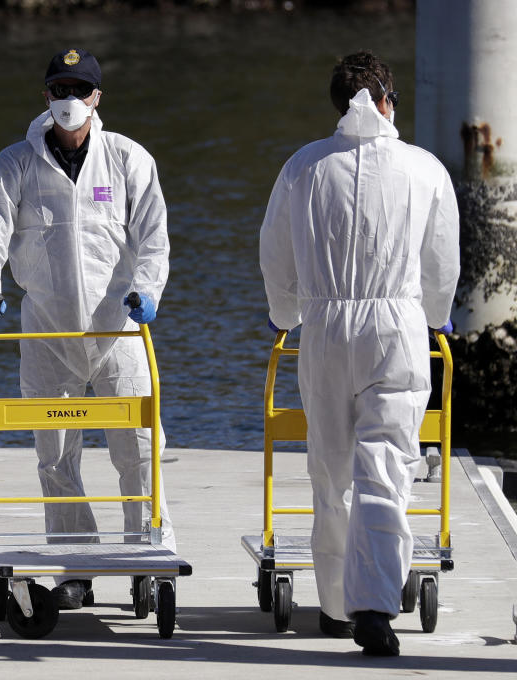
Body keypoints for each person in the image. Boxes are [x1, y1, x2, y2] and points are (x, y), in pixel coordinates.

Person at [259, 51, 459, 655]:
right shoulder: (423, 169)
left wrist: (285, 315)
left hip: (323, 327)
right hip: (395, 325)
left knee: (331, 469)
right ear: (389, 99)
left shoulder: (303, 166)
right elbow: (441, 258)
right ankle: (373, 605)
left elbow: (275, 254)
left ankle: (334, 606)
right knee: (387, 468)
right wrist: (435, 314)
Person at [0, 48, 175, 611]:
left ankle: (145, 557)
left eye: (80, 90)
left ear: (97, 98)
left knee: (137, 450)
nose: (69, 101)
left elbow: (153, 238)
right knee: (56, 457)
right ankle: (76, 568)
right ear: (45, 96)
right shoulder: (14, 164)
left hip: (120, 329)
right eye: (59, 89)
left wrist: (149, 290)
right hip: (45, 334)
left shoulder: (129, 159)